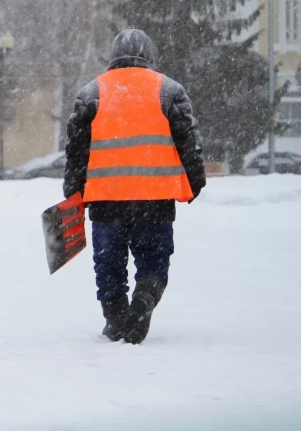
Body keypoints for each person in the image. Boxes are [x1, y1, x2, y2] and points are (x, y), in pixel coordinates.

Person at [63, 29, 206, 344]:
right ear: (150, 57)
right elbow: (189, 141)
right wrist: (195, 181)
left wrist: (72, 191)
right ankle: (143, 301)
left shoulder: (91, 93)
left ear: (114, 57)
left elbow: (76, 149)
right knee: (154, 259)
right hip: (154, 200)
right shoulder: (170, 91)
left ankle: (115, 318)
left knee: (108, 264)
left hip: (105, 201)